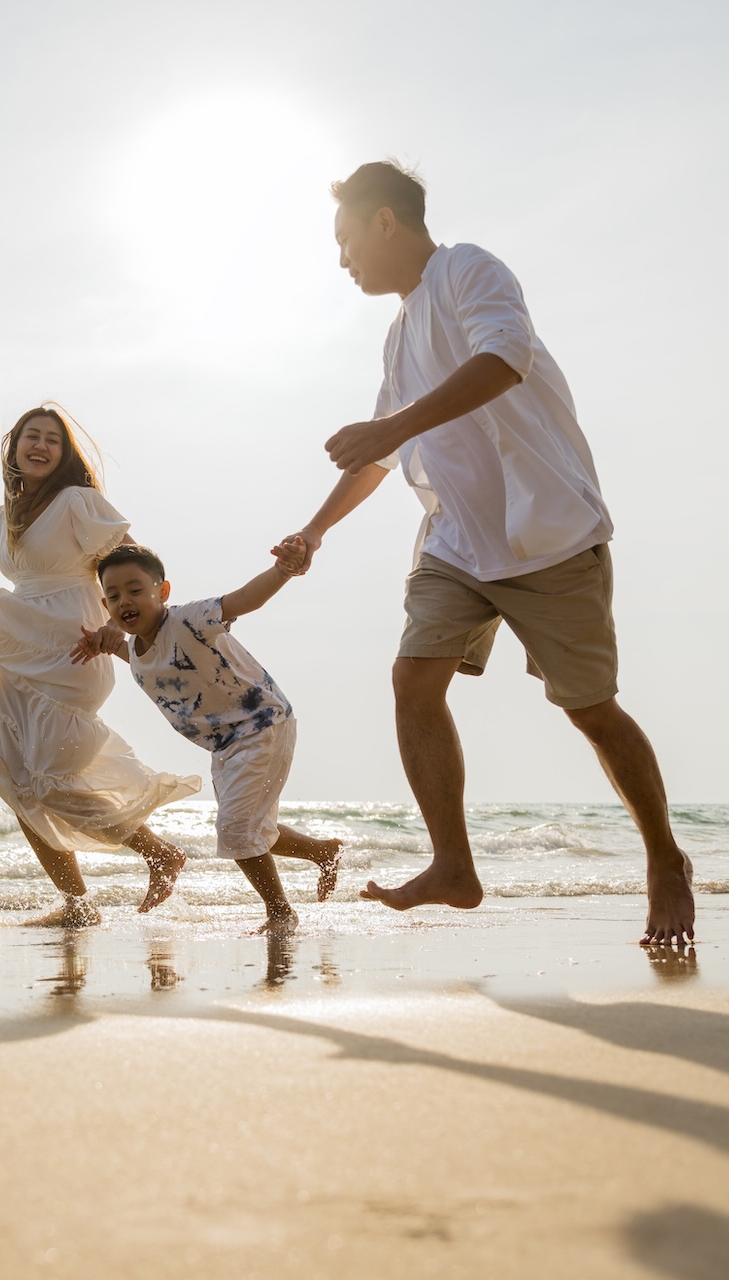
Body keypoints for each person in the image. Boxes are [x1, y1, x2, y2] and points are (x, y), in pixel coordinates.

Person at [289, 160, 697, 946]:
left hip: (545, 534)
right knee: (413, 681)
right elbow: (378, 453)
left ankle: (663, 857)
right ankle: (453, 864)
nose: (343, 259)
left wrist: (392, 427)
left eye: (347, 239)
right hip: (457, 544)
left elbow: (504, 361)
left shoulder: (468, 269)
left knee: (591, 712)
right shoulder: (398, 335)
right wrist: (315, 530)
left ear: (385, 222)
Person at [0, 405, 199, 925]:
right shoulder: (2, 516)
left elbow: (130, 561)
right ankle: (76, 905)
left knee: (49, 784)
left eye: (52, 439)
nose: (41, 446)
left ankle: (159, 853)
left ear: (64, 453)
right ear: (15, 446)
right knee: (18, 785)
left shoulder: (77, 501)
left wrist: (118, 623)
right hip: (16, 646)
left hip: (73, 647)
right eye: (32, 436)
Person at [70, 541, 344, 932]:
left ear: (162, 592)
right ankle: (323, 852)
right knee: (253, 829)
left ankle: (281, 913)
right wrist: (107, 644)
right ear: (105, 606)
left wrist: (282, 571)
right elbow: (156, 663)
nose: (124, 601)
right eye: (113, 596)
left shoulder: (189, 619)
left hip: (262, 725)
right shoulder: (137, 651)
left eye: (135, 590)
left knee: (235, 829)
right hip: (225, 746)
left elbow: (244, 600)